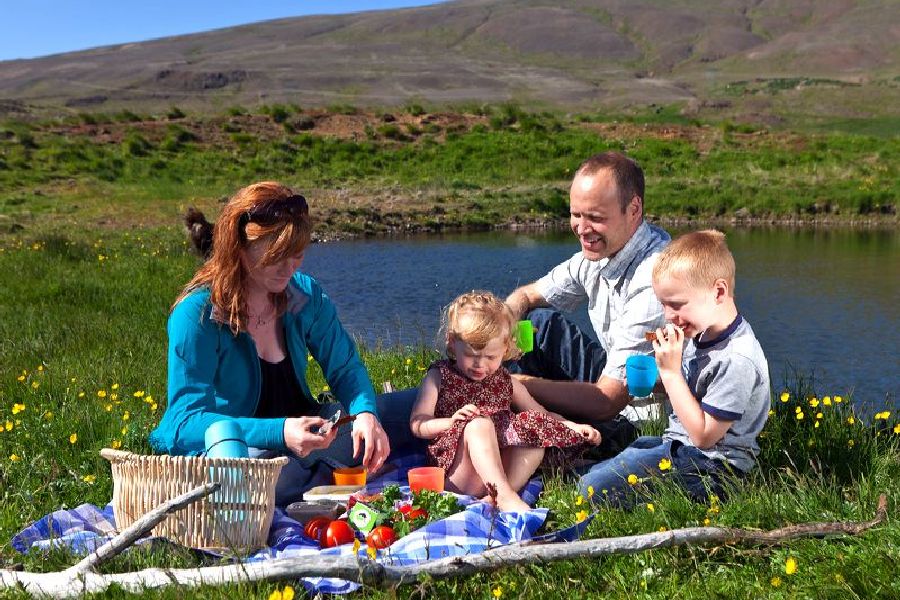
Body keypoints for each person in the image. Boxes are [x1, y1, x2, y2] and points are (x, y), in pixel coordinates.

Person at [149, 181, 390, 506]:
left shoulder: (303, 295)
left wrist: (365, 415)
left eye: (298, 254)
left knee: (394, 417)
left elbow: (345, 368)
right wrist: (280, 432)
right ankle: (320, 479)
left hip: (307, 432)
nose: (291, 266)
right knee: (267, 472)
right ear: (239, 246)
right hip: (240, 450)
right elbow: (184, 422)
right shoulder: (198, 313)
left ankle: (320, 475)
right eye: (278, 255)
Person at [578, 230, 770, 506]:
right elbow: (692, 393)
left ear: (718, 292)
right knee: (617, 448)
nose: (669, 316)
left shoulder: (736, 358)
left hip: (714, 470)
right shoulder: (702, 333)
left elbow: (704, 436)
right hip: (679, 448)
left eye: (677, 305)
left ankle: (585, 479)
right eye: (664, 305)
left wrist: (670, 373)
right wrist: (655, 379)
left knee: (592, 489)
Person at [504, 151, 671, 454]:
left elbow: (608, 400)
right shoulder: (600, 252)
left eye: (595, 217)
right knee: (538, 324)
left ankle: (513, 416)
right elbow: (526, 296)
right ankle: (503, 406)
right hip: (612, 383)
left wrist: (516, 384)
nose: (581, 229)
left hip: (643, 414)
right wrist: (497, 335)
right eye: (576, 214)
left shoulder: (655, 279)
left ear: (633, 209)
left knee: (567, 443)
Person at [409, 292, 601, 512]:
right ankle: (504, 495)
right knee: (479, 424)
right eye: (471, 355)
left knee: (534, 431)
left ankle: (499, 496)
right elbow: (418, 423)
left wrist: (573, 426)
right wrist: (450, 423)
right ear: (452, 343)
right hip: (458, 473)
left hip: (500, 472)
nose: (480, 365)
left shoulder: (506, 381)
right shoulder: (440, 376)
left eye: (490, 357)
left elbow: (542, 415)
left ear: (505, 349)